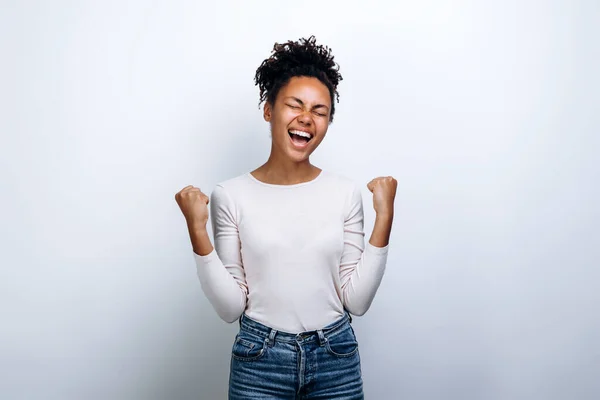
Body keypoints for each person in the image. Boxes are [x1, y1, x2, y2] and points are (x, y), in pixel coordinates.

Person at [175, 35, 397, 399]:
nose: (306, 119)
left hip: (335, 357)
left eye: (320, 111)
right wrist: (197, 231)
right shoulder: (230, 195)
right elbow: (231, 308)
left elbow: (356, 301)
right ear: (268, 109)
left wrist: (384, 217)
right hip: (259, 359)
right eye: (295, 105)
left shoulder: (344, 193)